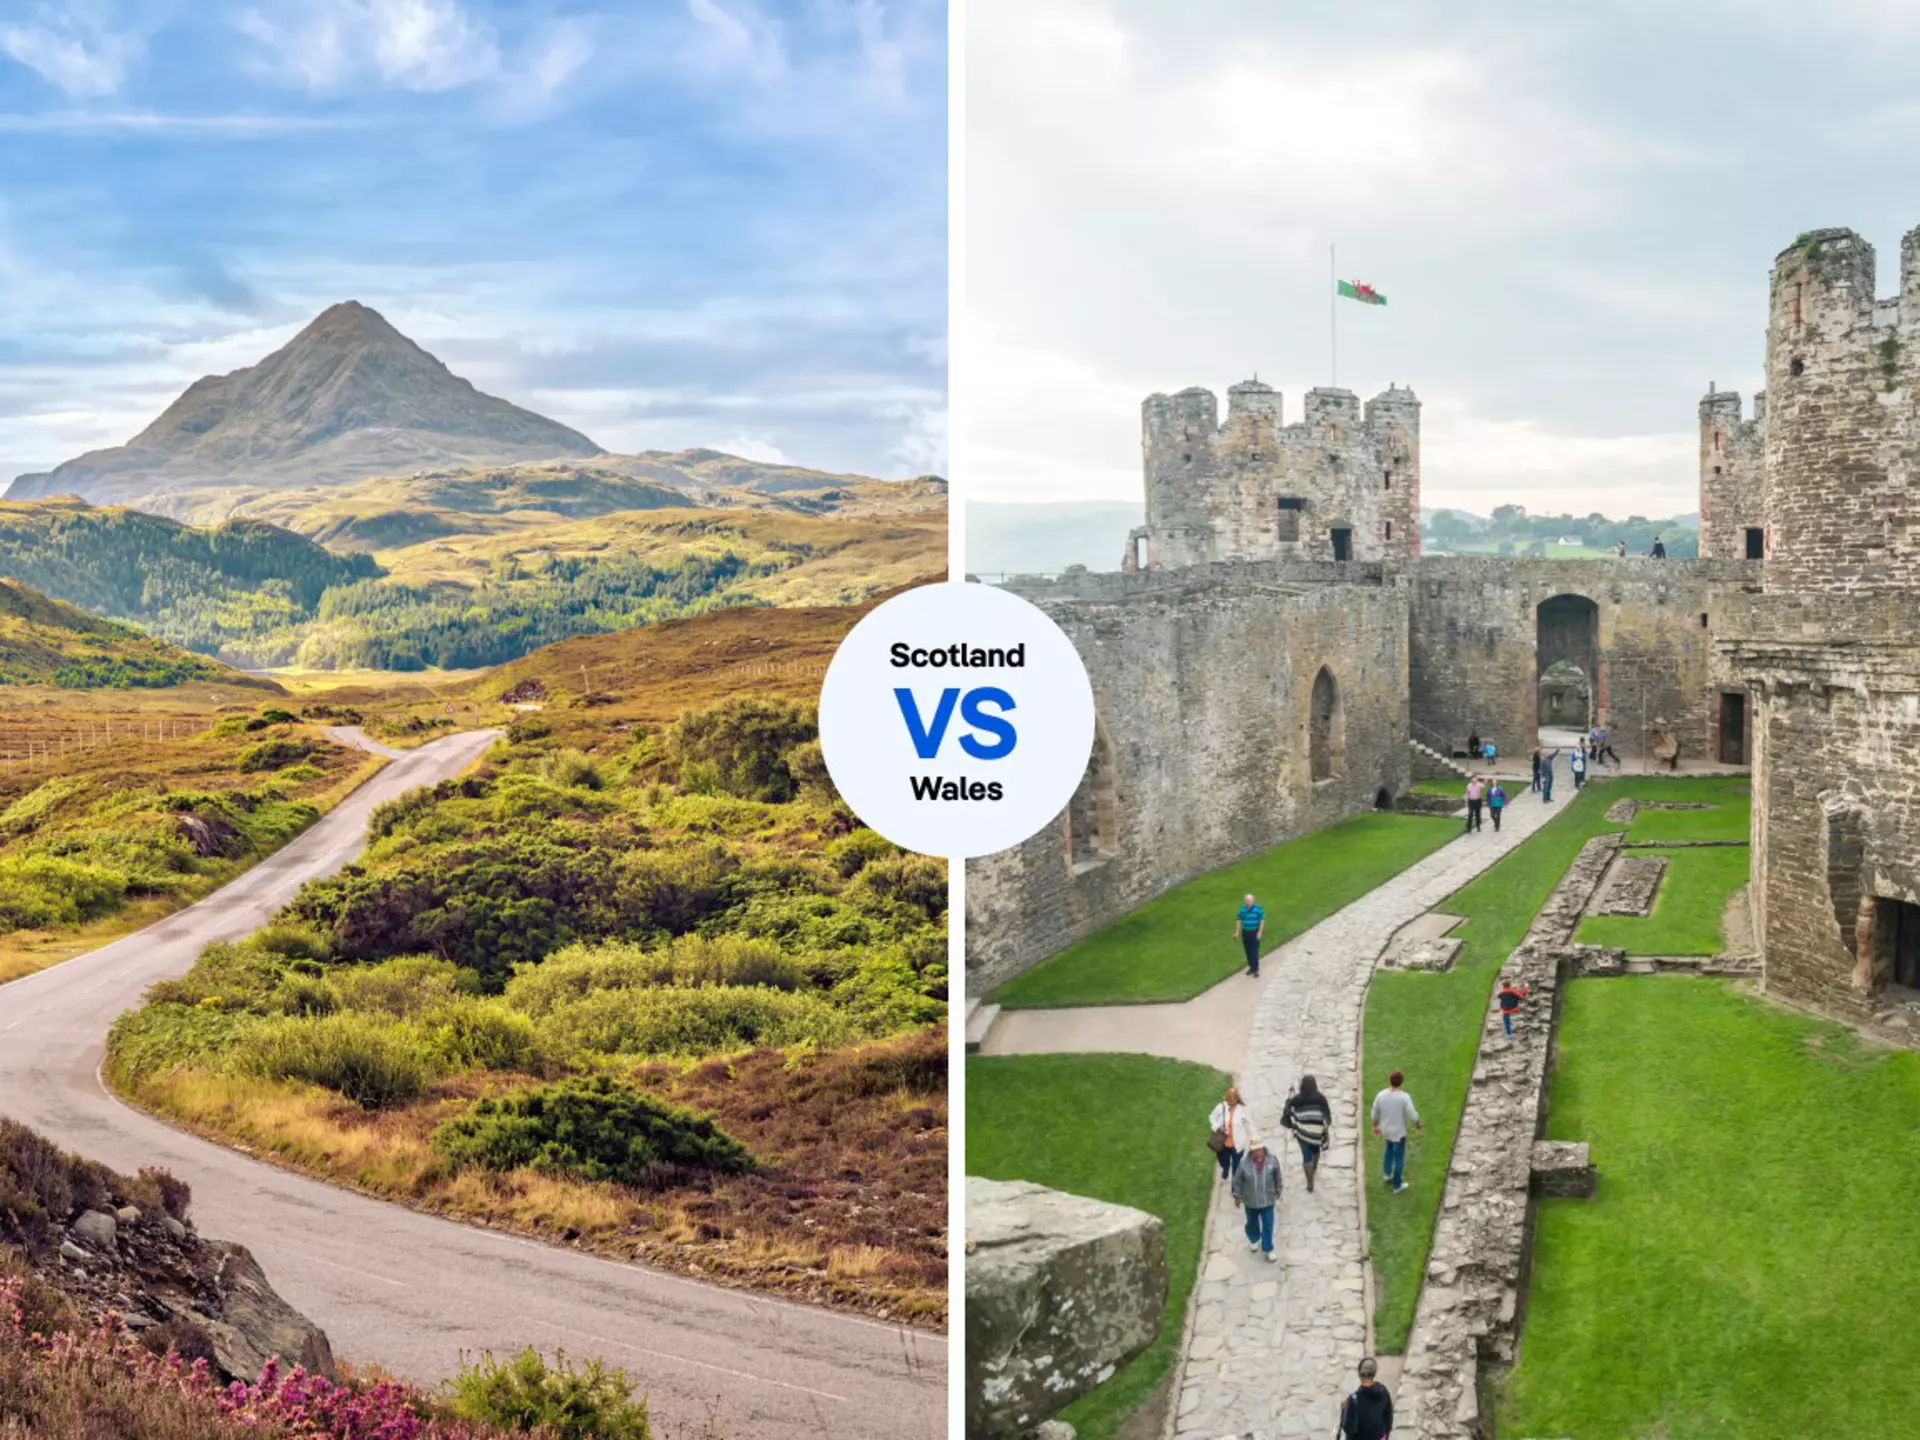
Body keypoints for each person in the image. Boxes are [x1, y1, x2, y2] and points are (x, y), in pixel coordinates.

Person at [1230, 1136, 1281, 1262]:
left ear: (1263, 1149)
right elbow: (1237, 1180)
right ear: (1251, 1151)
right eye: (1255, 1150)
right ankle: (1253, 1239)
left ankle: (1268, 1248)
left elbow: (1277, 1176)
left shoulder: (1272, 1160)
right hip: (1250, 1200)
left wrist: (1278, 1189)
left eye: (1259, 1149)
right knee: (1251, 1223)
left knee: (1268, 1225)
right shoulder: (1244, 1164)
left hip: (1267, 1200)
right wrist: (1237, 1195)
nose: (1258, 1152)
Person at [1370, 1070, 1422, 1194]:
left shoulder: (1381, 1095)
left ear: (1389, 1080)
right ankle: (1397, 1186)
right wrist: (1418, 1125)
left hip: (1386, 1130)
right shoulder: (1404, 1097)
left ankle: (1387, 1173)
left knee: (1388, 1150)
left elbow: (1374, 1112)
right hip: (1398, 1133)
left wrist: (1375, 1126)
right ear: (1401, 1083)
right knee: (1399, 1158)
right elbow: (1413, 1114)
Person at [1281, 1074, 1331, 1193]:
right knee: (1316, 1150)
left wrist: (1289, 1096)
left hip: (1302, 1134)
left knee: (1306, 1156)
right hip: (1317, 1133)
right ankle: (1314, 1167)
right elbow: (1327, 1116)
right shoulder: (1321, 1098)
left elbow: (1287, 1109)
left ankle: (1310, 1181)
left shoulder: (1298, 1099)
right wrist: (1324, 1126)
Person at [1338, 1356, 1393, 1440]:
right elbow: (1388, 1418)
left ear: (1359, 1374)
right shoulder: (1383, 1391)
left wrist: (1344, 1411)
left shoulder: (1354, 1400)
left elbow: (1349, 1429)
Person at [1208, 1084, 1249, 1182]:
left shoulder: (1242, 1110)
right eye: (1229, 1100)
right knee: (1223, 1161)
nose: (1231, 1103)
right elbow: (1211, 1117)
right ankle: (1225, 1169)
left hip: (1237, 1144)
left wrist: (1253, 1137)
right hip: (1224, 1144)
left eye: (1233, 1100)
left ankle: (1235, 1186)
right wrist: (1217, 1127)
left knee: (1236, 1168)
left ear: (1237, 1099)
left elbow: (1249, 1124)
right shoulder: (1221, 1107)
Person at [1235, 893, 1265, 978]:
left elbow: (1262, 919)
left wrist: (1260, 931)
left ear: (1253, 901)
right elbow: (1239, 920)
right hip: (1246, 932)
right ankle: (1251, 967)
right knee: (1248, 951)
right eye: (1246, 901)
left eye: (1249, 901)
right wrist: (1237, 932)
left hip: (1254, 932)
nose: (1248, 902)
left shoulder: (1257, 908)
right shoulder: (1243, 909)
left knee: (1254, 951)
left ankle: (1256, 969)